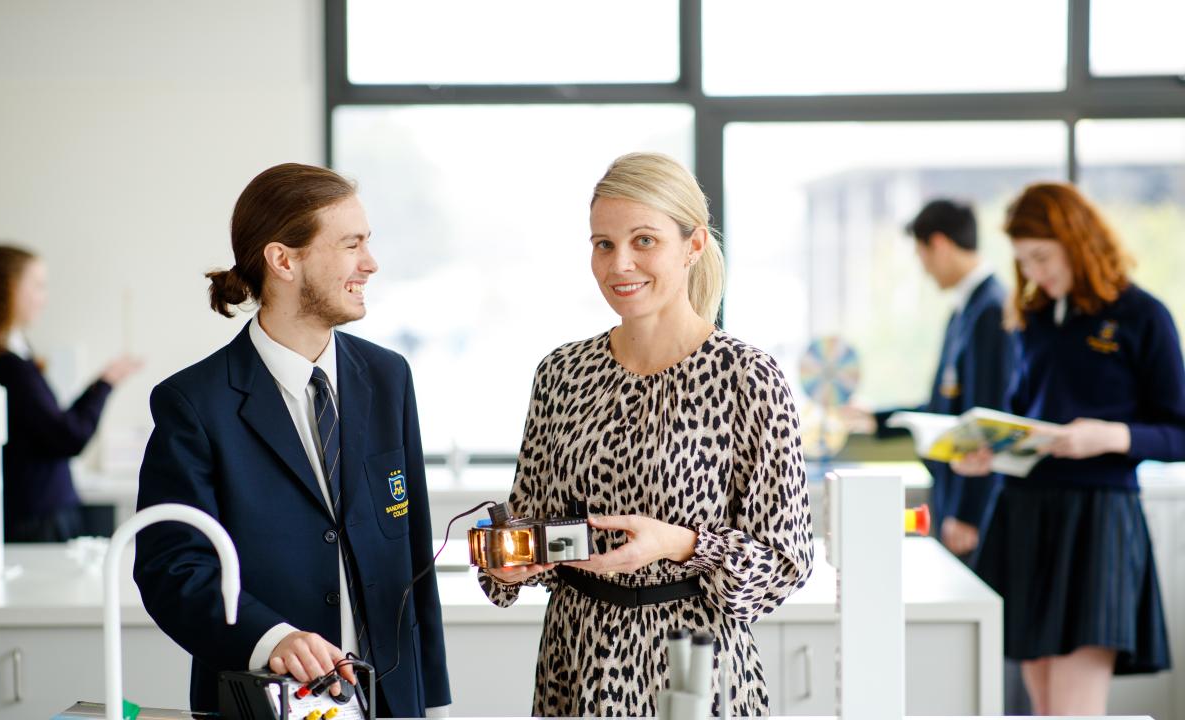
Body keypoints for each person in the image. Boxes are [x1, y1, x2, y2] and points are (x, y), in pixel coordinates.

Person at [478, 152, 813, 716]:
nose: (620, 265)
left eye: (644, 241)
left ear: (694, 245)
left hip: (694, 664)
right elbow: (529, 519)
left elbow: (784, 564)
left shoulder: (747, 377)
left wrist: (682, 543)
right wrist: (506, 559)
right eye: (603, 244)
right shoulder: (561, 372)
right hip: (575, 659)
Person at [133, 163, 450, 716]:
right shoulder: (194, 403)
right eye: (351, 245)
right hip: (264, 699)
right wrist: (271, 637)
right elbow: (172, 570)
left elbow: (412, 551)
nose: (370, 264)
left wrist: (432, 701)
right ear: (284, 260)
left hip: (390, 701)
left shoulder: (388, 377)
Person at [954, 182, 1179, 715]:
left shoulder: (1143, 316)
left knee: (1074, 710)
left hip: (1098, 521)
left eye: (1041, 257)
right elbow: (1022, 422)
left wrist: (1109, 436)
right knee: (1044, 706)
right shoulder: (1032, 320)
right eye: (1023, 262)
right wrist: (991, 453)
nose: (1033, 273)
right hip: (1026, 514)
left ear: (1078, 241)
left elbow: (1179, 431)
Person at [846, 199, 1015, 559]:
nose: (923, 269)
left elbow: (986, 420)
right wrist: (876, 418)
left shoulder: (991, 312)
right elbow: (942, 406)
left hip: (970, 507)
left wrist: (968, 513)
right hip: (951, 494)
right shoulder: (964, 312)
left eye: (921, 255)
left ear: (938, 244)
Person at [0, 245, 141, 542]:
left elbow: (55, 425)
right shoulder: (7, 367)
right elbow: (67, 436)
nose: (44, 299)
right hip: (38, 519)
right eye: (37, 286)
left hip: (33, 511)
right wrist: (105, 384)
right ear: (10, 289)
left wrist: (102, 382)